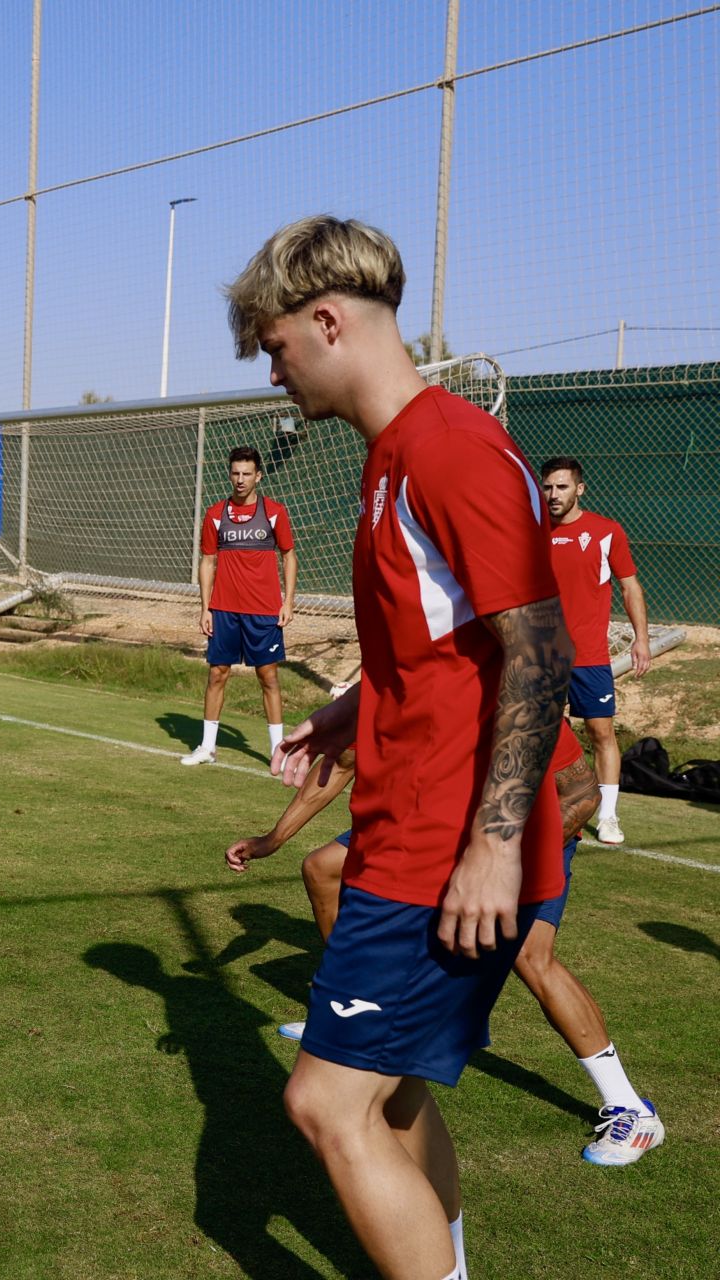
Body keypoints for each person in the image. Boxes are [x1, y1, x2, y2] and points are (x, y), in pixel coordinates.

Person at [228, 215, 572, 1280]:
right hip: (405, 825)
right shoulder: (392, 459)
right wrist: (354, 709)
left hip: (442, 844)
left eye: (277, 348)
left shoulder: (451, 446)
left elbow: (541, 650)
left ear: (326, 320)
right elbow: (444, 647)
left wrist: (495, 844)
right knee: (400, 1090)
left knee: (326, 1101)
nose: (275, 374)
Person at [226, 720, 665, 1165]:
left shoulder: (512, 693)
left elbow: (582, 795)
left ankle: (630, 1107)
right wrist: (272, 839)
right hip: (440, 825)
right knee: (323, 868)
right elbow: (343, 761)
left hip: (524, 833)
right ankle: (355, 1011)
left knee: (532, 958)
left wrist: (497, 864)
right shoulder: (394, 683)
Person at [542, 457, 651, 845]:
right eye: (549, 487)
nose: (554, 495)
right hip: (541, 656)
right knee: (544, 734)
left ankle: (607, 816)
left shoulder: (606, 531)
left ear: (580, 489)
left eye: (562, 487)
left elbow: (630, 587)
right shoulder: (530, 531)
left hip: (589, 657)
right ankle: (554, 807)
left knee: (601, 732)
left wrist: (641, 638)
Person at [181, 446, 297, 766]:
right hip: (224, 610)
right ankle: (207, 747)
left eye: (247, 473)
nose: (240, 479)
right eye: (235, 473)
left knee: (268, 677)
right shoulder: (215, 514)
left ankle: (278, 751)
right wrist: (206, 608)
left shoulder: (274, 512)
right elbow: (207, 561)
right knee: (217, 674)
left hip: (263, 611)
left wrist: (287, 601)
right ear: (229, 474)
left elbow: (289, 556)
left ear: (258, 476)